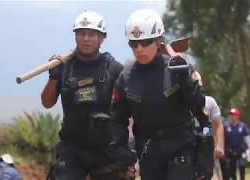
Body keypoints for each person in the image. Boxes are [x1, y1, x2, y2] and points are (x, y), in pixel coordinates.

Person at [111, 9, 205, 180]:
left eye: (145, 42)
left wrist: (185, 77)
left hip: (181, 147)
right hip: (149, 152)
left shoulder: (178, 68)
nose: (139, 49)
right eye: (133, 43)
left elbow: (198, 104)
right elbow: (117, 119)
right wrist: (122, 151)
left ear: (158, 41)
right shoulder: (125, 77)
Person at [41, 11, 134, 180]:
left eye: (91, 34)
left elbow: (130, 111)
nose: (86, 39)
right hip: (72, 148)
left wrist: (126, 151)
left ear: (101, 38)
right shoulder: (65, 67)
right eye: (81, 34)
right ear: (75, 36)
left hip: (106, 149)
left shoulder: (114, 70)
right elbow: (47, 103)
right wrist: (53, 77)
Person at [191, 71, 224, 180]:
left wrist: (219, 145)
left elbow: (218, 124)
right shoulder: (182, 102)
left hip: (205, 144)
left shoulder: (210, 101)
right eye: (193, 80)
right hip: (187, 142)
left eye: (198, 80)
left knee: (205, 174)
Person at [220, 108, 250, 180]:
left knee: (242, 166)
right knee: (232, 170)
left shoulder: (242, 126)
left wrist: (249, 151)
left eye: (233, 115)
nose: (231, 117)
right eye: (230, 115)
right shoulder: (226, 126)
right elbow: (223, 138)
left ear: (237, 116)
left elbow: (247, 139)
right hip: (230, 152)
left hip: (241, 151)